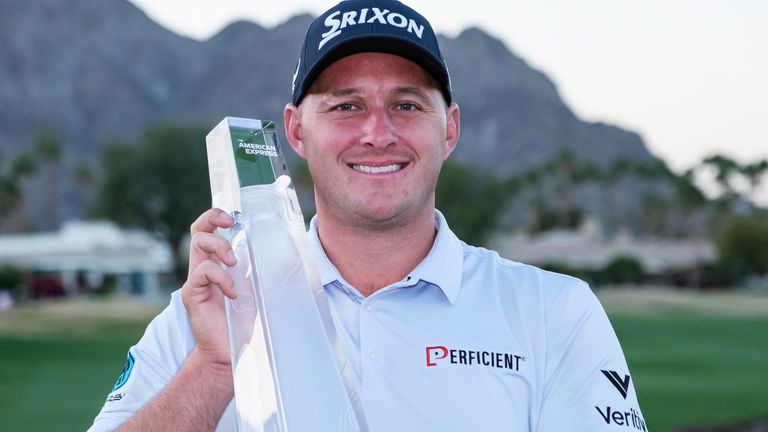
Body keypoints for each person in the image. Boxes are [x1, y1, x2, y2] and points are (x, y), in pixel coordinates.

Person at [89, 0, 647, 430]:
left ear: (448, 127)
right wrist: (213, 368)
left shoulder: (555, 312)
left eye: (406, 104)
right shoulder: (209, 312)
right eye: (345, 106)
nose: (377, 133)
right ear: (295, 130)